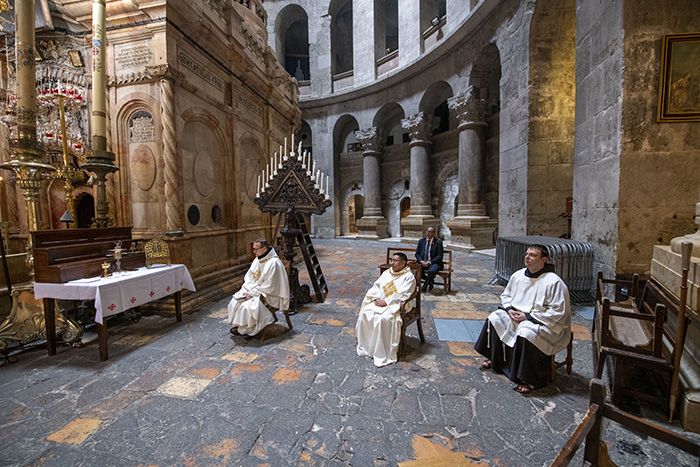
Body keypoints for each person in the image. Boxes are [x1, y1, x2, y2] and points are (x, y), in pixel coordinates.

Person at [474, 244, 571, 394]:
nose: (527, 257)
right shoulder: (518, 276)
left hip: (542, 322)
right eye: (526, 254)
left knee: (525, 331)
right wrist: (509, 310)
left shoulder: (554, 282)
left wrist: (527, 316)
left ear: (544, 259)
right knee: (495, 318)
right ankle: (497, 360)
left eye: (532, 255)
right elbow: (506, 296)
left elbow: (558, 313)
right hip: (517, 315)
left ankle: (528, 378)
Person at [356, 252, 417, 367]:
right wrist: (375, 299)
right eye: (392, 260)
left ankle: (381, 351)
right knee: (366, 313)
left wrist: (386, 302)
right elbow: (376, 287)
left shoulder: (408, 277)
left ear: (403, 263)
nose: (392, 263)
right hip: (380, 301)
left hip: (395, 305)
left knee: (383, 319)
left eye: (395, 261)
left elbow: (403, 294)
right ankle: (368, 347)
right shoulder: (387, 273)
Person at [228, 238, 290, 336]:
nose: (254, 252)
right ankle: (241, 325)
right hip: (255, 290)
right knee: (235, 300)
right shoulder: (258, 259)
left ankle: (247, 329)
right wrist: (247, 290)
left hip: (270, 295)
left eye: (256, 249)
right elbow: (249, 277)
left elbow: (270, 286)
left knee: (247, 306)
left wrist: (253, 294)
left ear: (264, 249)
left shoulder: (274, 263)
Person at [415, 226, 443, 291]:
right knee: (417, 271)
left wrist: (430, 262)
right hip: (422, 262)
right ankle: (430, 281)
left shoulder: (438, 242)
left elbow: (440, 255)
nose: (428, 233)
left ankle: (425, 285)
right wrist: (421, 261)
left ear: (433, 233)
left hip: (433, 262)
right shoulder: (421, 241)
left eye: (430, 232)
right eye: (427, 231)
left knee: (432, 271)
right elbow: (417, 253)